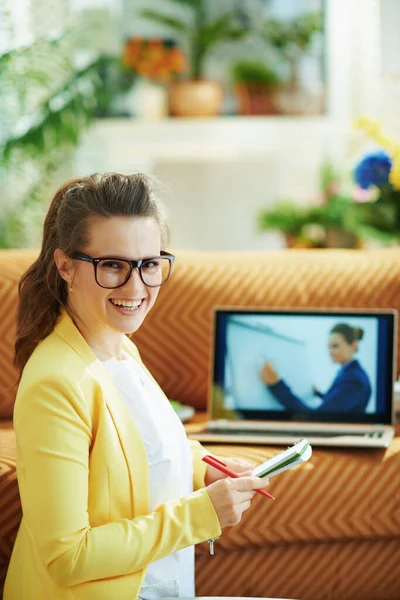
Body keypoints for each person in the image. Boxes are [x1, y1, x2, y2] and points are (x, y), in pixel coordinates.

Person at [4, 173, 270, 600]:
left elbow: (144, 447)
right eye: (112, 265)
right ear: (65, 265)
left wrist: (207, 467)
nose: (135, 287)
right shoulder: (55, 384)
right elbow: (67, 556)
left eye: (149, 264)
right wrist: (201, 514)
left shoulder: (121, 349)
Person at [261, 323, 372, 413]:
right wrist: (318, 393)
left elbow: (317, 418)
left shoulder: (354, 379)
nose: (330, 352)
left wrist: (277, 385)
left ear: (353, 345)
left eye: (335, 346)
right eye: (329, 347)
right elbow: (339, 402)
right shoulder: (349, 372)